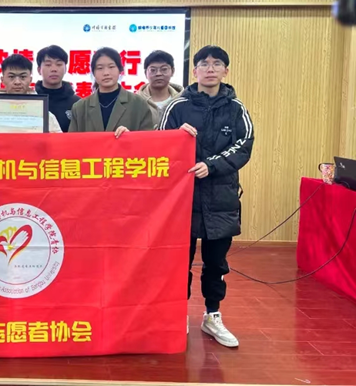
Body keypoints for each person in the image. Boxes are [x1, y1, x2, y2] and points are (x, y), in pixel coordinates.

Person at [159, 45, 254, 348]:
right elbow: (159, 144)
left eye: (216, 64)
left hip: (221, 198)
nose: (210, 69)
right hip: (182, 198)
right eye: (204, 64)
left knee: (216, 263)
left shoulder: (236, 108)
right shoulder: (177, 107)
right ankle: (178, 315)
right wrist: (177, 136)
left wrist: (211, 165)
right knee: (178, 262)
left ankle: (212, 315)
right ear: (195, 71)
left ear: (226, 71)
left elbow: (244, 145)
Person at [69, 47, 154, 136]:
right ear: (93, 73)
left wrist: (130, 137)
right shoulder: (80, 108)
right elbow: (72, 141)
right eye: (100, 68)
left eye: (111, 67)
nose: (106, 73)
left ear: (120, 70)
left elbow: (148, 139)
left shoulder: (138, 104)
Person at [0, 54, 62, 133]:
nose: (17, 82)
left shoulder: (45, 115)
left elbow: (58, 141)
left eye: (23, 77)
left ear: (30, 80)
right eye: (11, 77)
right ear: (2, 80)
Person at [34, 45, 80, 132]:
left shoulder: (77, 103)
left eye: (59, 64)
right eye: (48, 65)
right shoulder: (31, 101)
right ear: (39, 70)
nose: (54, 69)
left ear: (65, 69)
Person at [137, 50, 183, 128]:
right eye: (153, 70)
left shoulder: (183, 100)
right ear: (145, 73)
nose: (158, 74)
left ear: (172, 71)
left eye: (164, 69)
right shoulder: (136, 101)